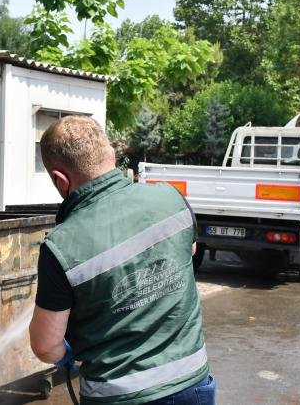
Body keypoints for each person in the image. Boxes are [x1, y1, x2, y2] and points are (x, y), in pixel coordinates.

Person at [29, 115, 215, 405]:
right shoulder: (171, 199)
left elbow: (45, 345)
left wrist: (67, 355)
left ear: (60, 180)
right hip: (191, 384)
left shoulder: (61, 246)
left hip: (118, 396)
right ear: (111, 156)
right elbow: (187, 253)